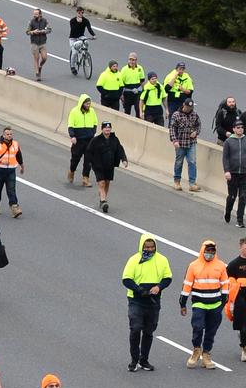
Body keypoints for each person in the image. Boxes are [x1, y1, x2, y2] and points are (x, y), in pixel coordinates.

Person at [121, 233, 172, 371]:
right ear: (141, 246)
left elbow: (167, 278)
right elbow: (126, 279)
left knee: (149, 331)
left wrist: (159, 287)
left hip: (153, 302)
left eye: (152, 247)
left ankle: (144, 360)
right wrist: (139, 289)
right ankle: (134, 360)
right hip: (136, 300)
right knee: (136, 329)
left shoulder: (162, 260)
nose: (149, 249)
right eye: (147, 246)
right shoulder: (134, 260)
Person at [179, 239, 230, 369]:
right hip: (199, 303)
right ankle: (196, 350)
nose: (210, 254)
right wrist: (183, 303)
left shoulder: (221, 266)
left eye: (212, 252)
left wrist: (223, 302)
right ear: (203, 251)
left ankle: (206, 354)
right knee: (198, 326)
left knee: (211, 330)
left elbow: (225, 285)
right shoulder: (193, 266)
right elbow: (187, 285)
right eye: (207, 251)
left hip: (215, 304)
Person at [85, 121, 128, 212]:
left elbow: (120, 149)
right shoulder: (96, 140)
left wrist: (124, 159)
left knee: (107, 183)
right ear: (102, 129)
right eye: (105, 128)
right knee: (102, 183)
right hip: (98, 165)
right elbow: (89, 151)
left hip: (110, 165)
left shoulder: (114, 139)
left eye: (109, 128)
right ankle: (103, 201)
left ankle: (102, 197)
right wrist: (88, 163)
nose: (107, 130)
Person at [0, 127, 25, 218]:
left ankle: (14, 207)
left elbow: (19, 155)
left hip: (11, 170)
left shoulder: (15, 144)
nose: (9, 136)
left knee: (11, 189)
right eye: (7, 134)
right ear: (3, 135)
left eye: (11, 134)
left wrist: (22, 166)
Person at [66, 95, 98, 187]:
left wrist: (93, 132)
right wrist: (72, 136)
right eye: (87, 104)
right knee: (75, 159)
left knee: (88, 160)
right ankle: (72, 171)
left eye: (89, 104)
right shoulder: (74, 111)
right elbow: (71, 125)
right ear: (82, 103)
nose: (88, 105)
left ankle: (85, 178)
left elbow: (95, 123)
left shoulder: (92, 111)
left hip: (89, 140)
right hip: (78, 141)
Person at [170, 99, 201, 192]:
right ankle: (177, 181)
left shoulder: (194, 115)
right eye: (188, 107)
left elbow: (198, 125)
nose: (189, 109)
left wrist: (196, 132)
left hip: (191, 143)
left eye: (191, 107)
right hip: (180, 143)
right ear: (184, 105)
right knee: (179, 162)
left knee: (192, 162)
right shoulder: (176, 115)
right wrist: (174, 140)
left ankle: (192, 183)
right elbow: (172, 128)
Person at [225, 237, 246, 362]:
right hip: (240, 295)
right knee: (243, 325)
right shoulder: (234, 264)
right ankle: (244, 348)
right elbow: (228, 283)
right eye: (245, 247)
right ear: (241, 247)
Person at [224, 120, 246, 227]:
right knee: (232, 196)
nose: (240, 129)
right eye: (238, 127)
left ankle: (240, 220)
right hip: (232, 173)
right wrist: (227, 171)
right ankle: (228, 211)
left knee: (243, 197)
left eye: (241, 127)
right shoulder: (228, 142)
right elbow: (225, 158)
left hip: (244, 173)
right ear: (233, 129)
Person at [67, 7, 95, 73]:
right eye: (79, 13)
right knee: (74, 52)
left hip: (81, 36)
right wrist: (78, 22)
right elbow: (73, 29)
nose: (80, 14)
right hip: (73, 38)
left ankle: (86, 55)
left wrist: (93, 35)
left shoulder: (86, 20)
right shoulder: (72, 20)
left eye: (82, 13)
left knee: (86, 42)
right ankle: (72, 66)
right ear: (76, 13)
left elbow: (89, 29)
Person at [25, 8, 51, 81]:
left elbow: (49, 30)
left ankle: (40, 66)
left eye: (36, 14)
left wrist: (43, 31)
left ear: (40, 14)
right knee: (36, 59)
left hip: (42, 43)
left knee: (44, 58)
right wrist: (33, 32)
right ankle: (37, 74)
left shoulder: (45, 21)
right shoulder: (31, 22)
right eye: (34, 14)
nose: (34, 15)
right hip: (34, 43)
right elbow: (27, 32)